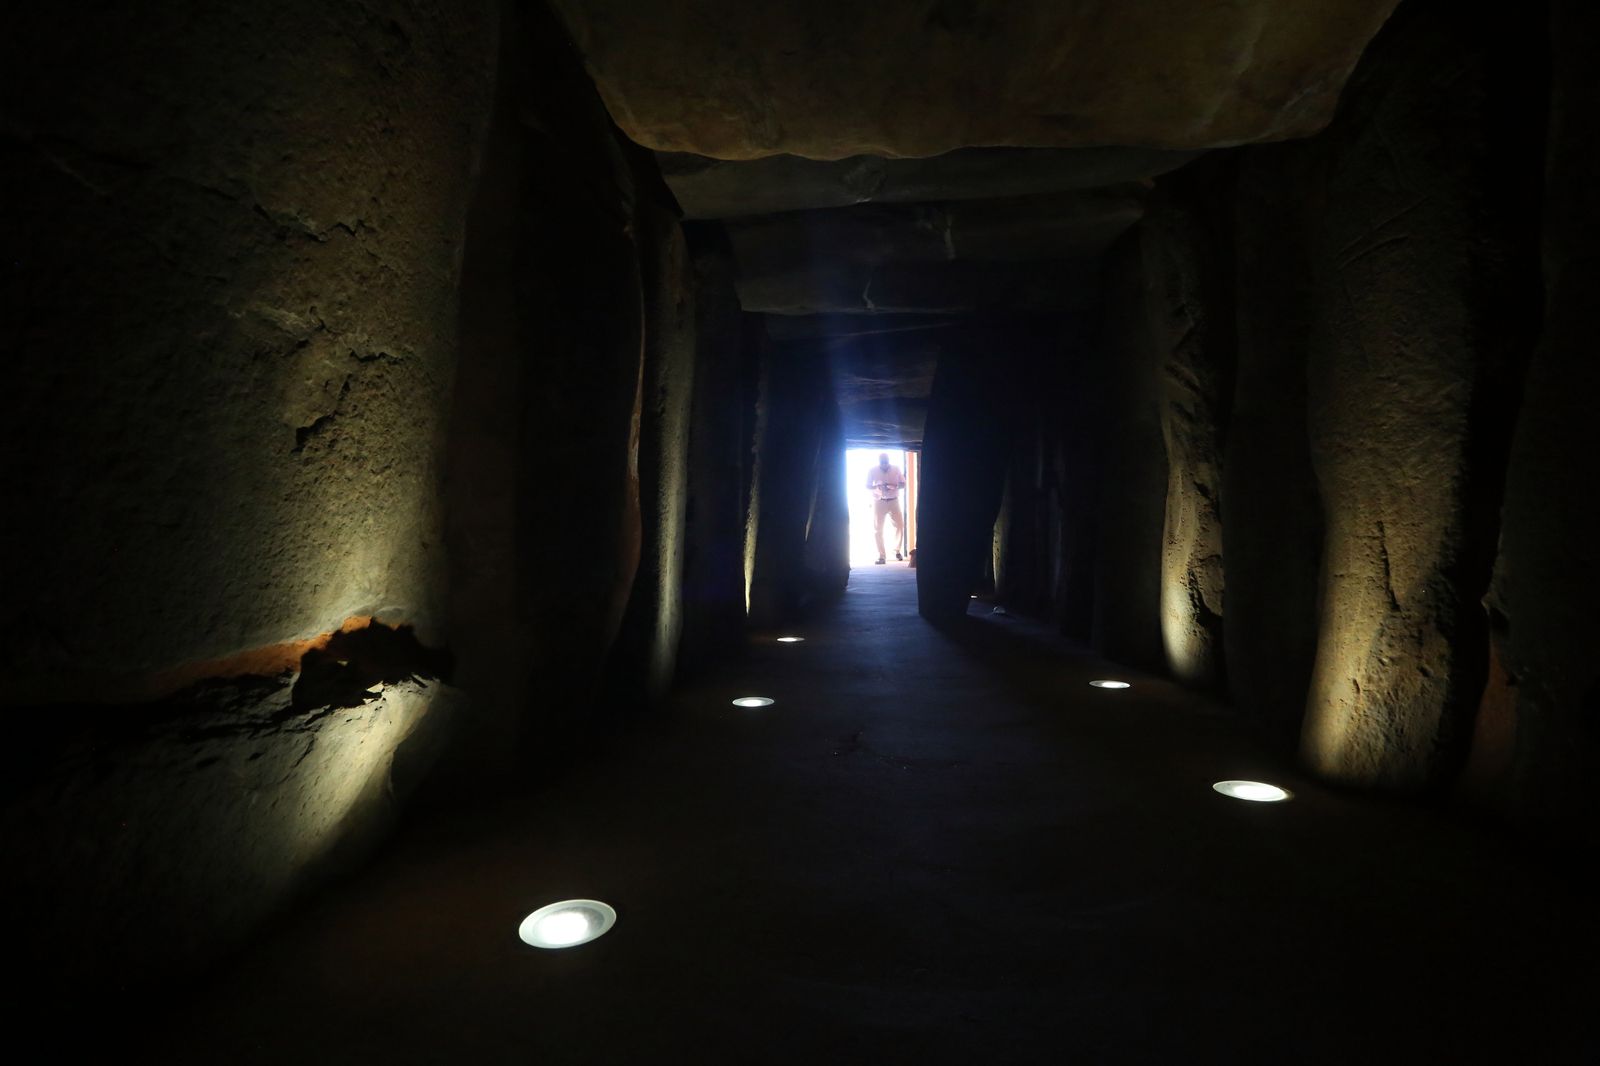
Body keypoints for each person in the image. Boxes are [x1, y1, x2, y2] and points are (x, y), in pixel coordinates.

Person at [865, 452, 906, 564]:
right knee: (877, 529)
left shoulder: (896, 469)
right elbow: (867, 485)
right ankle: (881, 556)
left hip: (894, 500)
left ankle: (896, 551)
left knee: (900, 526)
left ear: (889, 460)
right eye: (882, 462)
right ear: (879, 461)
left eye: (886, 461)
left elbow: (903, 484)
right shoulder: (872, 470)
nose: (884, 464)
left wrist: (894, 486)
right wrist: (876, 487)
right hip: (879, 501)